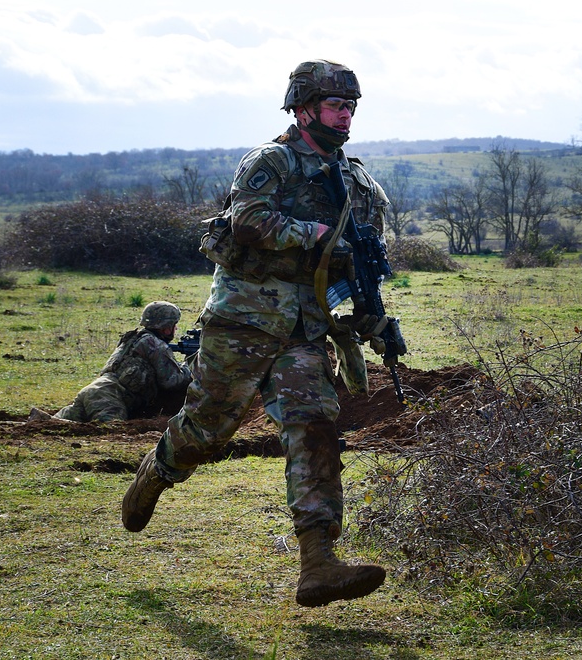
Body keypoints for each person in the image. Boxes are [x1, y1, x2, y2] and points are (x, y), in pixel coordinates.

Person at [121, 60, 391, 608]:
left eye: (350, 107)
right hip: (243, 320)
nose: (345, 116)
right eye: (336, 105)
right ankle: (159, 469)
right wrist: (308, 233)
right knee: (209, 429)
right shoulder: (272, 162)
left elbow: (357, 263)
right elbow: (246, 220)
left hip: (304, 330)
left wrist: (370, 318)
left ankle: (319, 562)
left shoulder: (355, 179)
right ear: (302, 107)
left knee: (314, 424)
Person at [29, 301, 192, 423]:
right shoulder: (155, 345)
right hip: (109, 398)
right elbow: (172, 382)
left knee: (47, 424)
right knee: (108, 433)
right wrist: (190, 364)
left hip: (94, 390)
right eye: (174, 325)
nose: (175, 329)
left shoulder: (133, 339)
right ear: (166, 327)